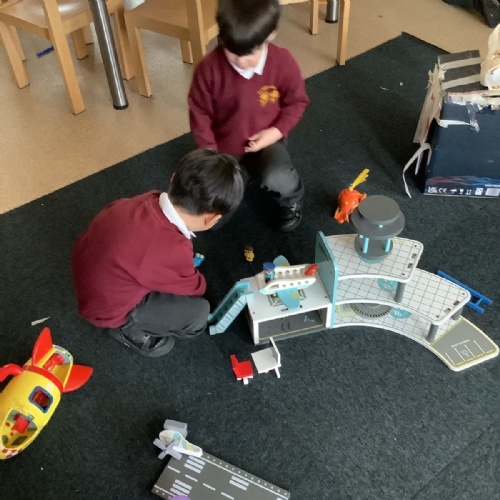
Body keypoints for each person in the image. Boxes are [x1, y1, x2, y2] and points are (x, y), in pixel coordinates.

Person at [71, 149, 244, 357]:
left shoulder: (147, 198)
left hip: (93, 271)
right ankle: (126, 329)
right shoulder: (171, 249)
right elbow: (194, 289)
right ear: (212, 219)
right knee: (198, 315)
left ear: (173, 179)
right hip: (106, 309)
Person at [188, 0, 309, 232]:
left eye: (250, 53)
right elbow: (199, 113)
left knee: (277, 175)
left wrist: (275, 132)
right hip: (224, 152)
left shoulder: (282, 62)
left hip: (268, 145)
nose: (241, 63)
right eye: (232, 52)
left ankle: (291, 199)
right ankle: (243, 178)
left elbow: (297, 102)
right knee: (212, 223)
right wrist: (211, 154)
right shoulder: (208, 69)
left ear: (270, 34)